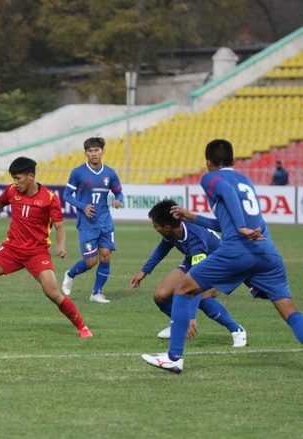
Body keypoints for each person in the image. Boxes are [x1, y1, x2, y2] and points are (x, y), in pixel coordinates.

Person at [142, 139, 303, 373]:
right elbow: (223, 222)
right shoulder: (246, 180)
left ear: (208, 162)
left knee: (182, 289)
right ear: (234, 161)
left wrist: (240, 228)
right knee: (291, 313)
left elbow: (226, 193)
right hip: (267, 253)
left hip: (237, 250)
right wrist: (193, 217)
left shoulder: (210, 178)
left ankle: (174, 358)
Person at [0, 156, 93, 338]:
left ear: (30, 176)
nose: (15, 182)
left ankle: (82, 327)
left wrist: (61, 244)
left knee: (53, 293)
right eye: (13, 178)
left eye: (18, 178)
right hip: (11, 249)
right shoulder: (12, 191)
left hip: (37, 253)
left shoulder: (50, 198)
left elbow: (59, 226)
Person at [129, 199, 247, 346]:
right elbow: (164, 246)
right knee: (161, 295)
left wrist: (191, 316)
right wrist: (144, 271)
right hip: (194, 260)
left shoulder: (195, 240)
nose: (154, 228)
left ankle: (237, 330)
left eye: (155, 226)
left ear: (166, 227)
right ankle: (178, 324)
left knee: (201, 296)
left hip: (222, 264)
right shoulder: (172, 229)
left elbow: (199, 278)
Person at [61, 137, 124, 303]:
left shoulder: (110, 173)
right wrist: (83, 206)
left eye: (96, 150)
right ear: (85, 153)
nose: (93, 153)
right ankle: (70, 274)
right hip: (87, 224)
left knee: (105, 256)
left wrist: (119, 200)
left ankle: (96, 293)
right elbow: (66, 195)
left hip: (105, 222)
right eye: (90, 151)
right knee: (91, 261)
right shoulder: (78, 172)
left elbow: (119, 192)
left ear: (102, 151)